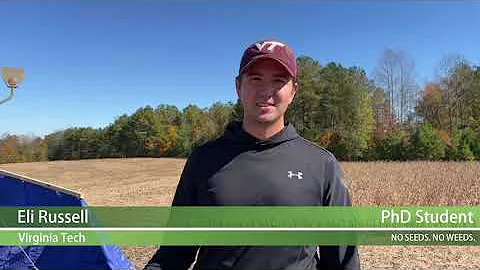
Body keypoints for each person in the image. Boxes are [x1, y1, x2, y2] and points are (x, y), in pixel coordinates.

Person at [144, 39, 361, 270]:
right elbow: (173, 254)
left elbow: (342, 260)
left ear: (293, 91)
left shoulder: (321, 164)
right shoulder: (204, 160)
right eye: (255, 79)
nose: (266, 91)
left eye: (278, 80)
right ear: (238, 87)